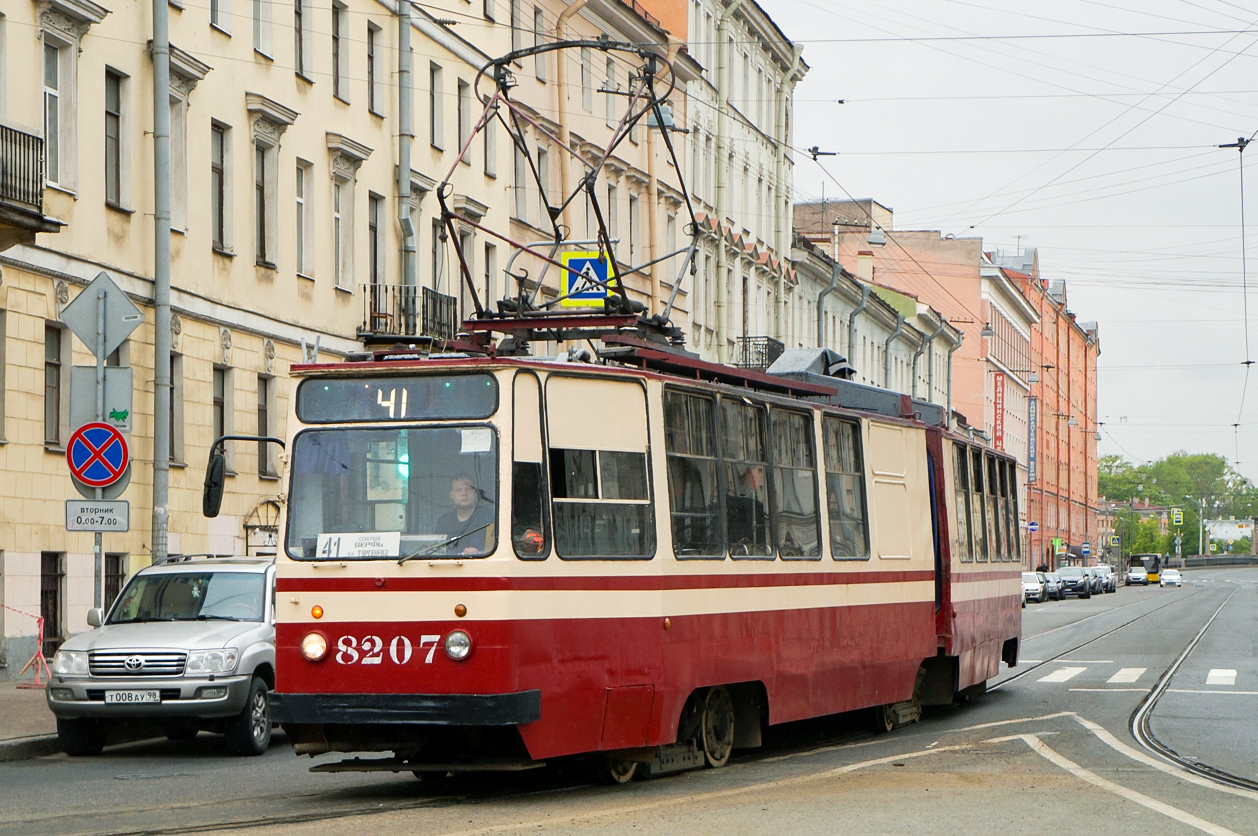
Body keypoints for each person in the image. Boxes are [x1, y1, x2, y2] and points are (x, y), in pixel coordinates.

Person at [434, 476, 495, 554]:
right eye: (458, 490)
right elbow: (437, 551)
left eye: (468, 489)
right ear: (452, 495)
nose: (464, 493)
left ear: (475, 493)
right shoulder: (444, 521)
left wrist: (479, 553)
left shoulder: (489, 518)